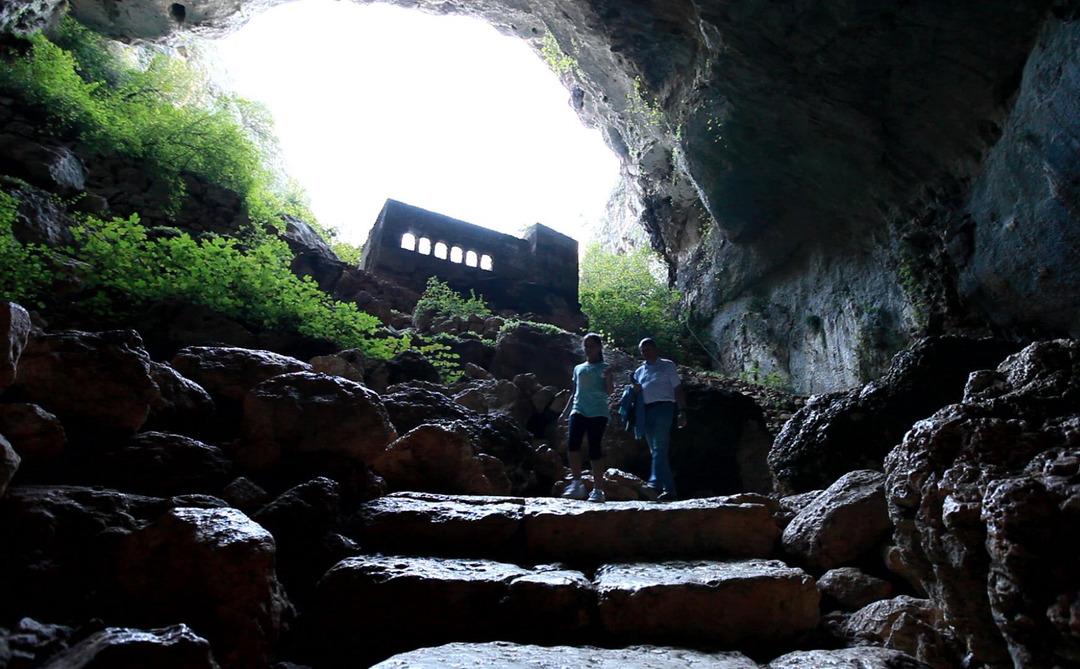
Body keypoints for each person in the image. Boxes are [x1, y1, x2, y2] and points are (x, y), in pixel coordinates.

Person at [560, 333, 615, 502]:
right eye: (586, 346)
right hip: (578, 409)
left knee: (594, 449)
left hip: (598, 411)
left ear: (599, 347)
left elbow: (610, 391)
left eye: (591, 346)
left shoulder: (605, 368)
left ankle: (598, 490)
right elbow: (575, 391)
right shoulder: (578, 368)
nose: (588, 349)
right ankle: (577, 483)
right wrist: (565, 411)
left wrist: (607, 378)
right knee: (572, 445)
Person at [632, 337, 687, 501]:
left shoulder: (667, 365)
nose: (645, 352)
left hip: (664, 407)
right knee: (655, 451)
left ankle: (655, 483)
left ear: (655, 349)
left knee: (660, 448)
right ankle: (669, 490)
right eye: (642, 350)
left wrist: (682, 410)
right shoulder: (639, 371)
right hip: (645, 410)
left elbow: (677, 388)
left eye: (648, 349)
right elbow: (637, 393)